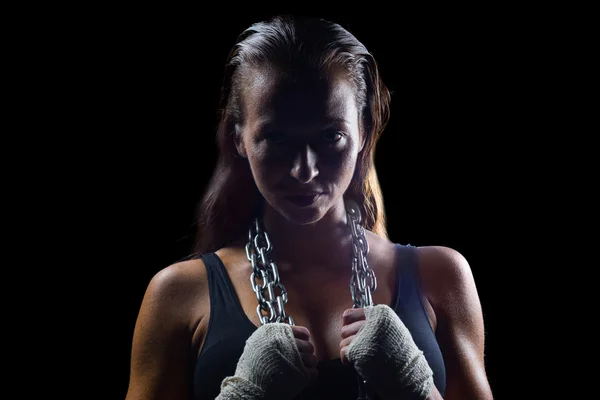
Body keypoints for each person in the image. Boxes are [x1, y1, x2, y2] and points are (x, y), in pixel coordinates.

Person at [125, 14, 494, 400]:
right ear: (239, 139)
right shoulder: (179, 293)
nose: (305, 170)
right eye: (276, 138)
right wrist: (245, 395)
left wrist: (414, 386)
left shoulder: (440, 277)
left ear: (363, 132)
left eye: (331, 136)